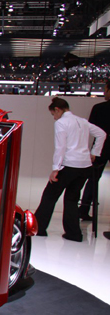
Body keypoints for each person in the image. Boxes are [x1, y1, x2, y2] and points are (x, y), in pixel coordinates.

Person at [34, 97, 105, 242]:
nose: (54, 118)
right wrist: (94, 153)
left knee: (49, 196)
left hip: (69, 165)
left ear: (57, 109)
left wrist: (56, 168)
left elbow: (60, 147)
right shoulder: (82, 121)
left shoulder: (61, 123)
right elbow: (101, 134)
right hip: (84, 166)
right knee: (72, 199)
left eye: (53, 114)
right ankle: (73, 234)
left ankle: (38, 228)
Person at [79, 80, 110, 221]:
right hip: (101, 147)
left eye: (105, 89)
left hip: (101, 148)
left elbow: (90, 129)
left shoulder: (98, 108)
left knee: (92, 179)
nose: (104, 92)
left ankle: (84, 209)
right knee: (92, 179)